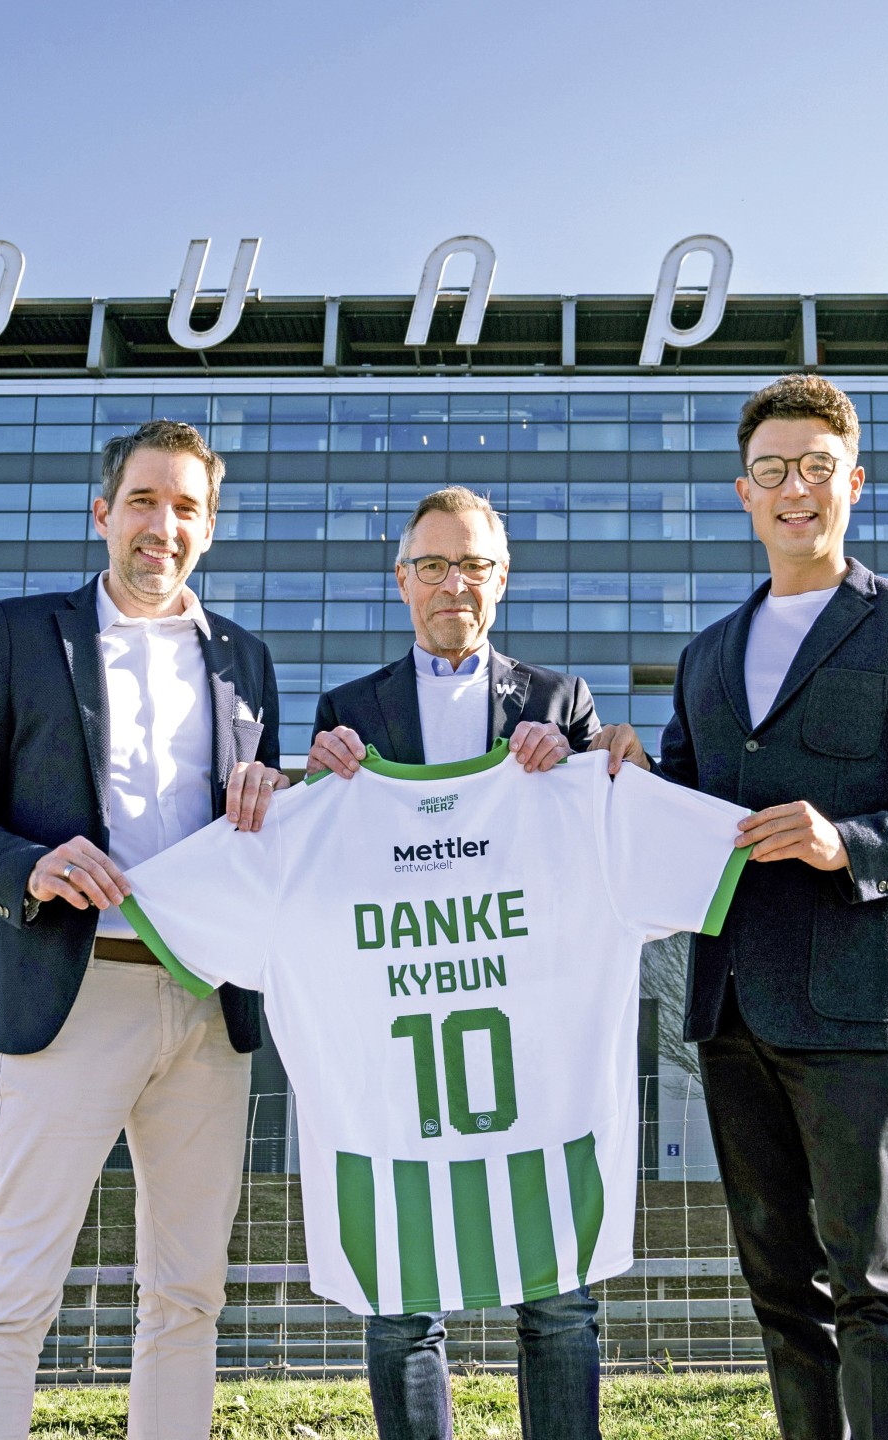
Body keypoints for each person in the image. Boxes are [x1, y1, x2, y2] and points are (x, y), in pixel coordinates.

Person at [0, 419, 290, 1440]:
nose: (161, 526)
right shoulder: (18, 633)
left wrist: (273, 797)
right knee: (16, 1292)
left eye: (185, 508)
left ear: (208, 529)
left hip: (208, 1007)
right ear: (102, 513)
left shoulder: (246, 661)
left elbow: (254, 837)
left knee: (188, 1297)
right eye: (143, 501)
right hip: (66, 994)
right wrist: (28, 868)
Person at [659, 375, 888, 1440]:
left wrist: (846, 843)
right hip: (729, 1013)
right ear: (744, 491)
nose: (794, 489)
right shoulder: (706, 655)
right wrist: (620, 773)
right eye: (773, 470)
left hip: (857, 1011)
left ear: (852, 482)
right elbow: (680, 808)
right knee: (781, 1298)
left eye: (816, 467)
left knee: (876, 1288)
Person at [304, 484, 649, 1440]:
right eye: (433, 565)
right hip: (406, 1032)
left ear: (502, 579)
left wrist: (595, 752)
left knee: (558, 1293)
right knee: (402, 1299)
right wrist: (313, 771)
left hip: (532, 1039)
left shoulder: (556, 699)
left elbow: (607, 819)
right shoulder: (349, 709)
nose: (454, 583)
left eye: (474, 566)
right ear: (402, 579)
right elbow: (326, 857)